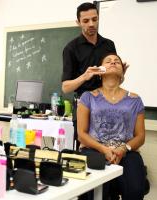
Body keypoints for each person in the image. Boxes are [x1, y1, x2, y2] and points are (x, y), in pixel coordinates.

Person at [77, 53, 146, 200]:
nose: (113, 63)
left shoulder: (135, 100)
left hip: (126, 151)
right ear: (100, 72)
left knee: (135, 189)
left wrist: (123, 149)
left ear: (122, 72)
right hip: (94, 149)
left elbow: (140, 136)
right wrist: (104, 149)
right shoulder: (88, 97)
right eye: (108, 61)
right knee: (95, 189)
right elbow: (81, 134)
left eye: (117, 62)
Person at [62, 2, 121, 150]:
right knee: (86, 148)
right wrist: (85, 76)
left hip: (108, 104)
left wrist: (120, 73)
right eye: (86, 21)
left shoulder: (109, 45)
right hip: (85, 105)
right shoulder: (71, 48)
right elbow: (65, 87)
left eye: (94, 19)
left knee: (110, 145)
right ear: (78, 22)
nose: (91, 24)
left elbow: (114, 79)